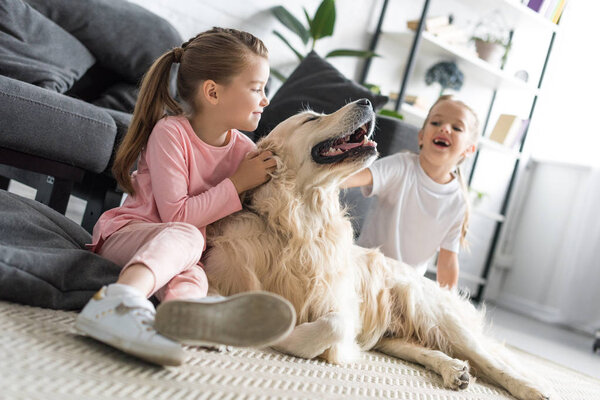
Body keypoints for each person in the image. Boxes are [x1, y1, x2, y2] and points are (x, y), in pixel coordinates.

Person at [75, 28, 295, 366]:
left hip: (182, 254)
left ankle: (177, 325)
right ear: (212, 92)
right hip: (126, 235)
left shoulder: (244, 151)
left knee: (196, 276)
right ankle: (118, 302)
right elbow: (176, 216)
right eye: (256, 89)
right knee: (188, 236)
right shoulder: (171, 133)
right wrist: (237, 183)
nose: (265, 100)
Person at [343, 95, 479, 289]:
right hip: (364, 270)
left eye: (457, 128)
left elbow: (448, 262)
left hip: (406, 286)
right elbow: (354, 178)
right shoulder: (401, 166)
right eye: (436, 122)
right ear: (421, 136)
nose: (444, 128)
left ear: (469, 149)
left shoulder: (458, 202)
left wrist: (448, 304)